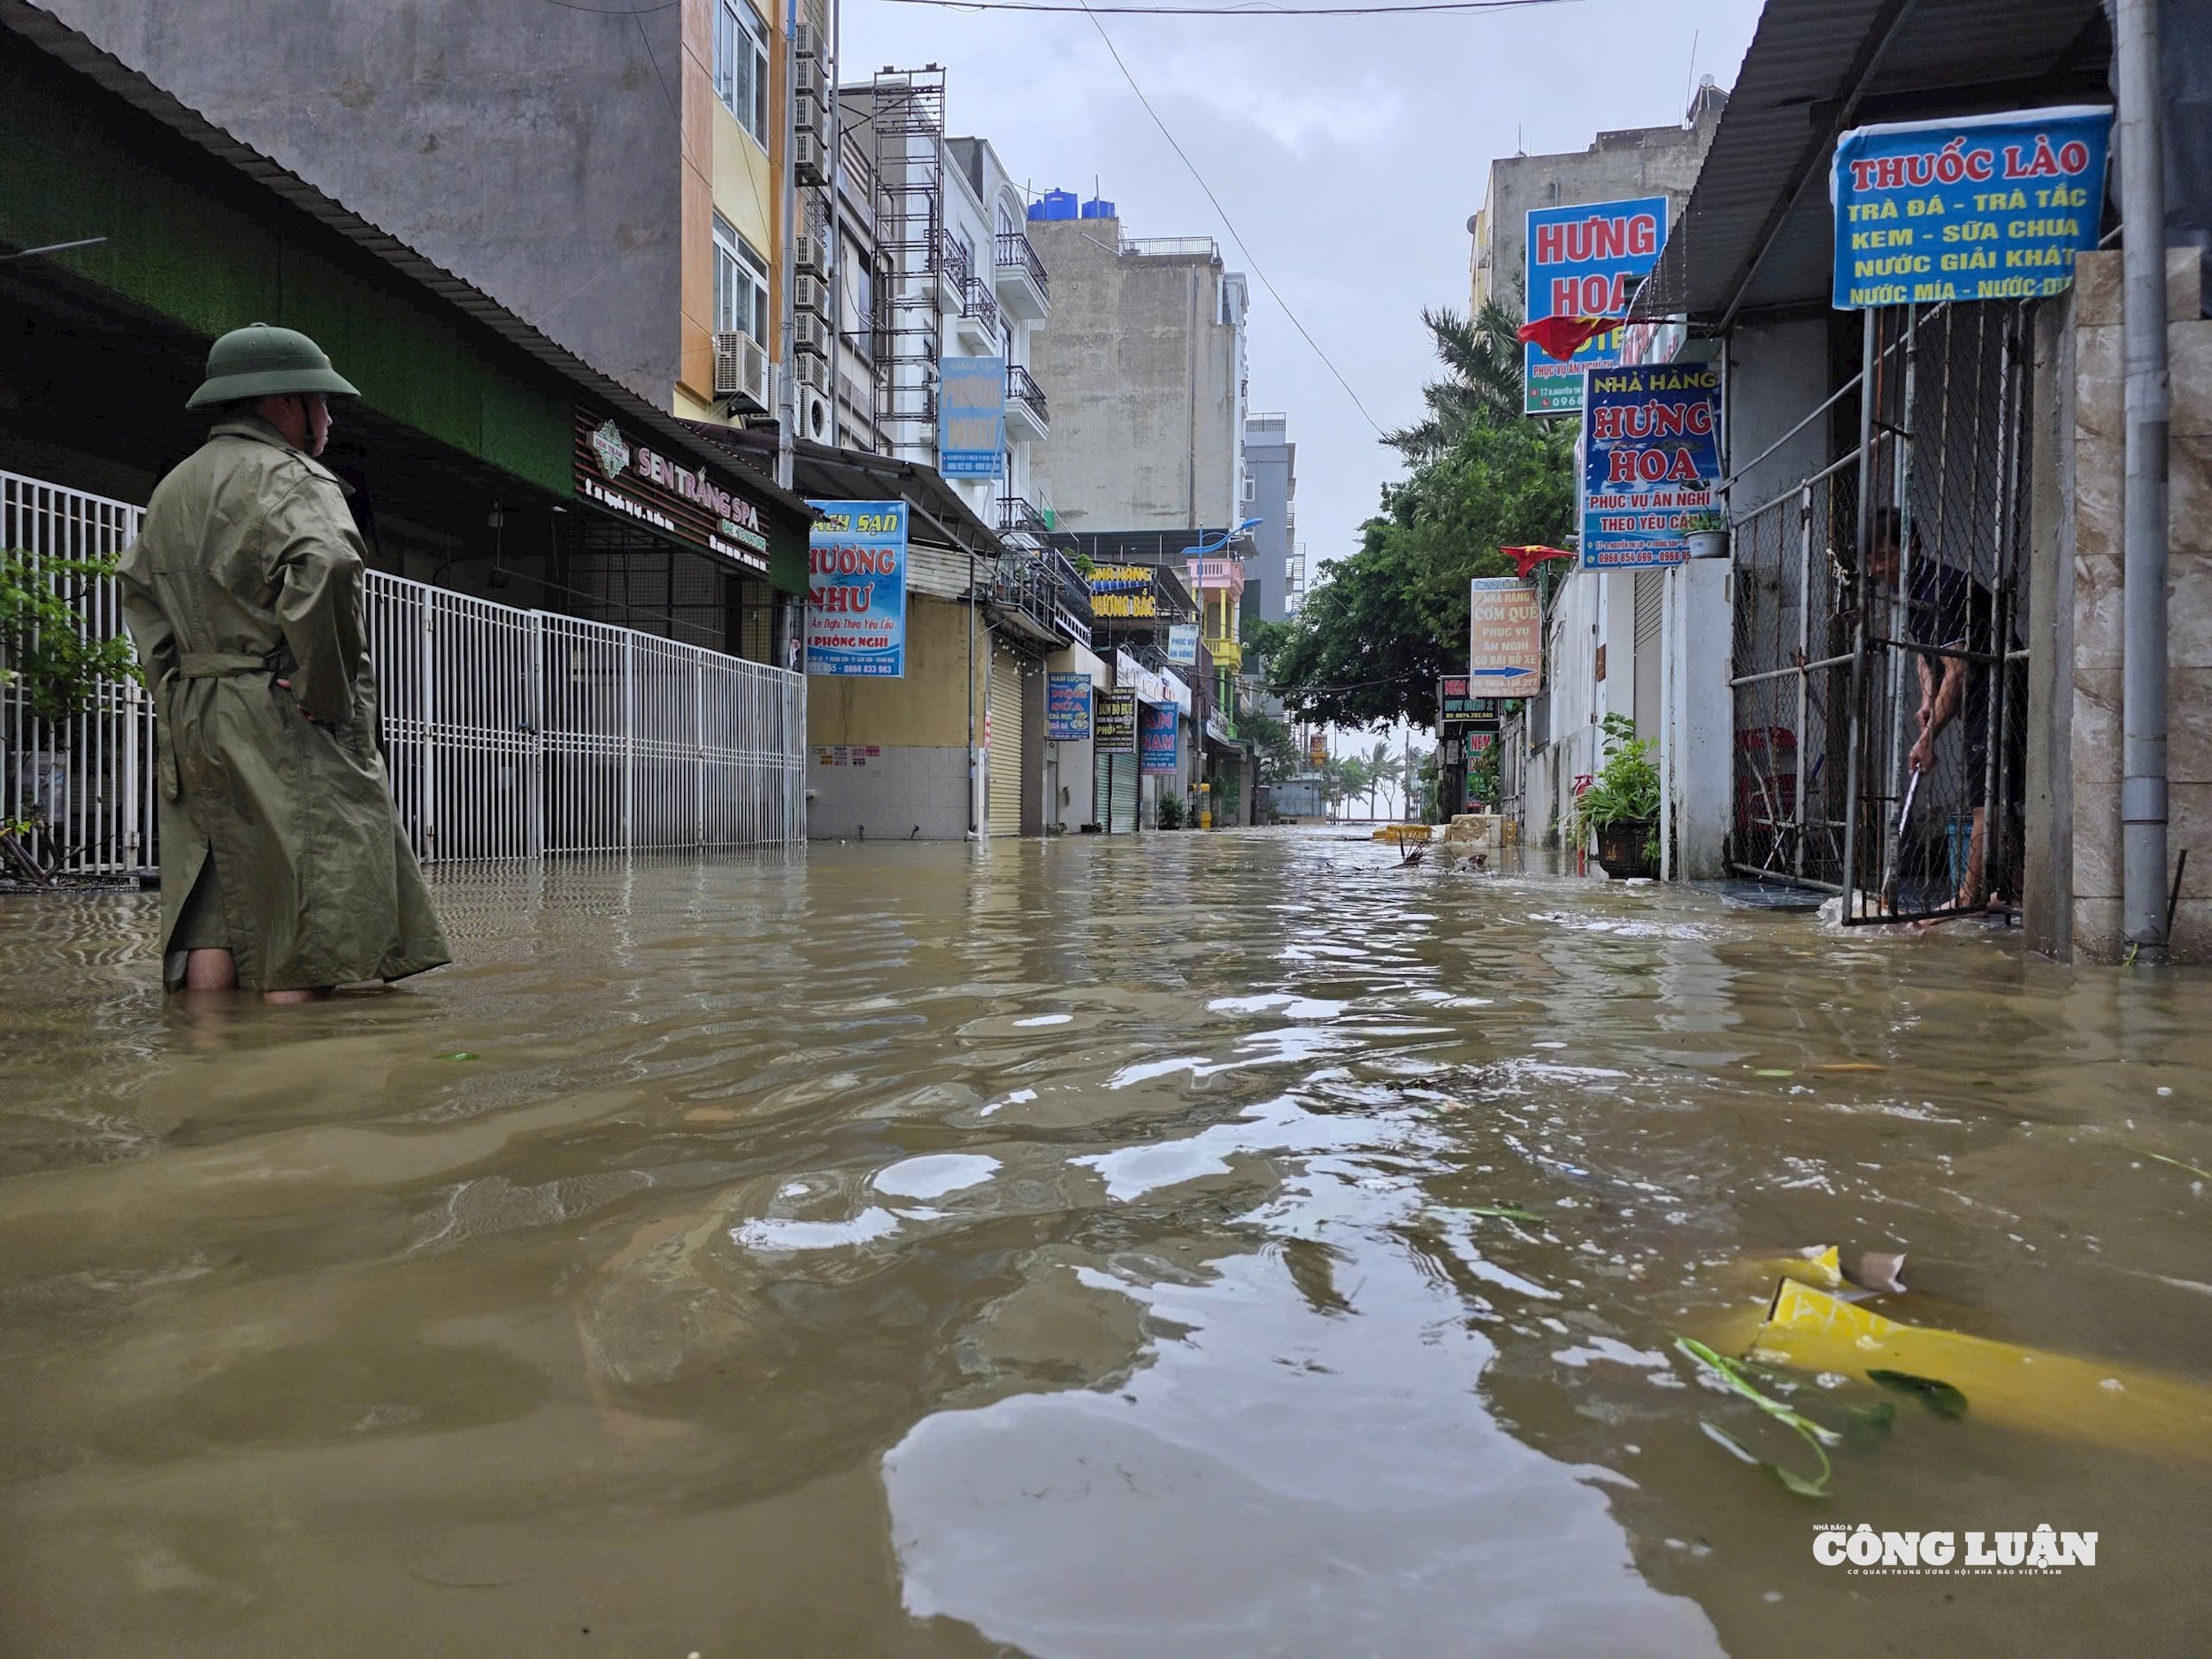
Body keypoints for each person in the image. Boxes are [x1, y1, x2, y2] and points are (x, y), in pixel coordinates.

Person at [119, 323, 449, 1002]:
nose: (328, 418)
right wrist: (322, 690)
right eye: (319, 401)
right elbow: (325, 563)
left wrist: (179, 689)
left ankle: (208, 1048)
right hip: (280, 707)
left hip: (197, 713)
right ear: (281, 402)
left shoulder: (174, 488)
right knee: (309, 906)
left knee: (214, 897)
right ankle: (296, 1062)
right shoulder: (291, 476)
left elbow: (140, 595)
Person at [1864, 509, 2014, 915]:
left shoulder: (1941, 588)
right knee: (1994, 793)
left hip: (1999, 692)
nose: (1876, 568)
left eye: (1883, 556)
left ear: (1910, 547)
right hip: (1974, 696)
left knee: (1987, 799)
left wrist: (1928, 739)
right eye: (1871, 560)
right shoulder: (1910, 590)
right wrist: (1928, 699)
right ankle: (2005, 890)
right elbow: (1923, 651)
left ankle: (1970, 896)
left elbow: (1958, 668)